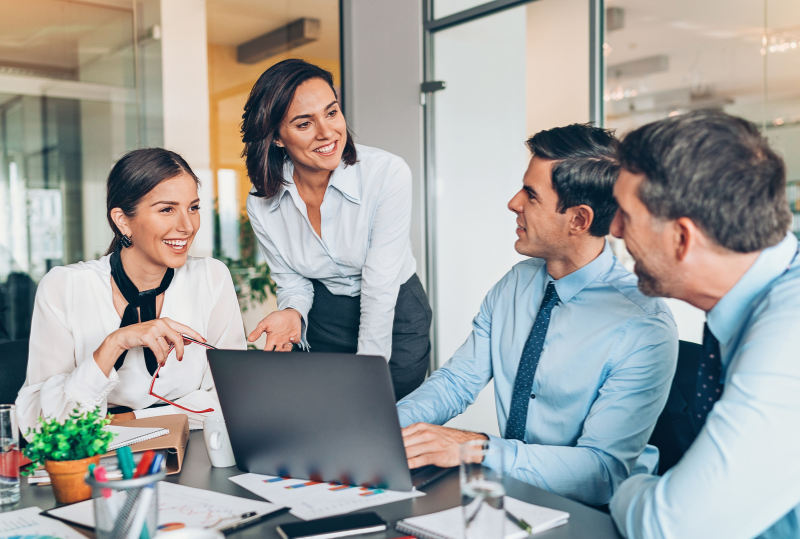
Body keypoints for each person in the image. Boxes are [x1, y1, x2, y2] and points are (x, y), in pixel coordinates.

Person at [398, 124, 678, 506]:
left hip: (595, 517)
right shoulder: (516, 283)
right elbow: (456, 382)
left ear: (579, 220)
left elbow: (603, 473)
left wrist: (478, 448)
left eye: (531, 195)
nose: (514, 203)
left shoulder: (642, 325)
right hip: (516, 493)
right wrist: (386, 431)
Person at [608, 110, 800, 539]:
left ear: (682, 238)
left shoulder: (790, 330)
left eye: (625, 215)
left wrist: (628, 486)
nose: (612, 230)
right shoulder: (753, 302)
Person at [17, 148, 246, 433]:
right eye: (167, 209)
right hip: (95, 458)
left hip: (194, 449)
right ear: (123, 220)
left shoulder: (211, 277)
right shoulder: (65, 287)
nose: (187, 226)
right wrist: (114, 344)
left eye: (193, 207)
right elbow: (40, 423)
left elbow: (232, 400)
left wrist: (128, 421)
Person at [242, 59, 431, 401]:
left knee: (387, 422)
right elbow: (293, 283)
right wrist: (292, 311)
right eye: (304, 123)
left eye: (332, 113)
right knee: (324, 418)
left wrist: (368, 372)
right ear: (277, 138)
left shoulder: (387, 174)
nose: (327, 132)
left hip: (395, 312)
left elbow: (379, 284)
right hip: (324, 314)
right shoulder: (262, 203)